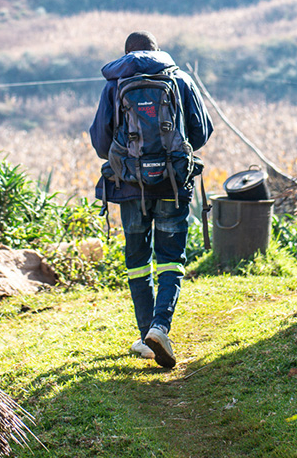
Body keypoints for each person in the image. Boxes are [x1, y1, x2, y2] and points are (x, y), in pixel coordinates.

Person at [89, 31, 212, 369]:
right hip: (172, 184)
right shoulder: (179, 79)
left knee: (138, 261)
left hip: (130, 187)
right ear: (157, 52)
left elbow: (101, 143)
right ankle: (160, 327)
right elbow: (201, 134)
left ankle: (147, 335)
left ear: (126, 54)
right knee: (171, 257)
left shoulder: (115, 85)